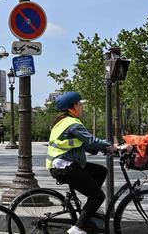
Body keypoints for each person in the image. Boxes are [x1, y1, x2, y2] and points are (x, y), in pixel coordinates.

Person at [46, 92, 118, 234]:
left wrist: (102, 149)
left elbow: (84, 144)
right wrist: (113, 146)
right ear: (73, 106)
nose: (82, 106)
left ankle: (87, 213)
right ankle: (77, 228)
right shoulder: (72, 123)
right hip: (65, 166)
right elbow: (91, 140)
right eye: (80, 104)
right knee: (98, 196)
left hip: (63, 164)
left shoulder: (63, 121)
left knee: (100, 171)